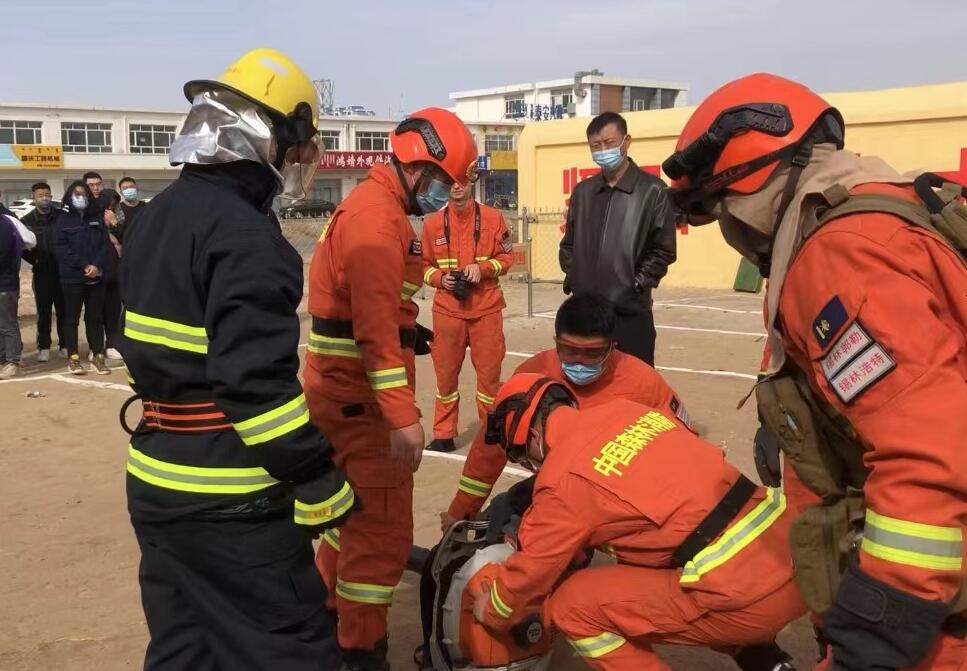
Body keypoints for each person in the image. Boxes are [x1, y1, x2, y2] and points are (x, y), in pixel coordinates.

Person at [663, 72, 967, 671]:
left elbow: (927, 456)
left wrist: (875, 634)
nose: (727, 230)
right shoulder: (891, 209)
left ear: (753, 190)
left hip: (932, 624)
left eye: (722, 209)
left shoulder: (838, 255)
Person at [119, 48, 353, 670]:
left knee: (185, 646)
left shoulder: (151, 219)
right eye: (298, 142)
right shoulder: (249, 239)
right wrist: (317, 476)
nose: (303, 158)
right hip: (230, 494)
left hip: (154, 477)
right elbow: (253, 385)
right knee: (290, 650)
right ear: (268, 138)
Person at [471, 373, 802, 671]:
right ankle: (768, 663)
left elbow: (531, 571)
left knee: (574, 607)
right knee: (664, 559)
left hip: (748, 595)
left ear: (528, 437)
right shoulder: (630, 411)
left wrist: (495, 609)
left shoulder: (561, 480)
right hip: (795, 553)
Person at [305, 106, 477, 670]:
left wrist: (408, 328)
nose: (443, 194)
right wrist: (403, 417)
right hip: (363, 406)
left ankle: (327, 621)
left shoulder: (364, 207)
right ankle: (361, 653)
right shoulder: (379, 223)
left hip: (337, 394)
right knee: (377, 538)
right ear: (420, 169)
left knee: (342, 526)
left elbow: (366, 308)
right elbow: (373, 331)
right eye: (442, 182)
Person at [443, 293, 693, 529]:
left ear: (612, 347)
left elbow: (683, 447)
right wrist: (462, 510)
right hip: (559, 485)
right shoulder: (532, 375)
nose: (579, 362)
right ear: (555, 342)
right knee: (501, 517)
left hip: (624, 492)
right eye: (569, 350)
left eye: (592, 353)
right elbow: (490, 450)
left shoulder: (643, 383)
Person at [558, 112, 677, 366]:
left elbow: (663, 250)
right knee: (586, 387)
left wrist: (634, 285)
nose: (603, 150)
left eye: (610, 143)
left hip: (630, 316)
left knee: (634, 389)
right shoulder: (583, 192)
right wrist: (576, 279)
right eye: (596, 146)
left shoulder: (653, 191)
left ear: (626, 141)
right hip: (586, 315)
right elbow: (569, 246)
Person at [421, 169, 514, 453]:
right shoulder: (432, 223)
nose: (456, 187)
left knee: (489, 379)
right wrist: (440, 279)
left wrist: (483, 269)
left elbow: (507, 257)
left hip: (486, 308)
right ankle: (444, 433)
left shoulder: (493, 218)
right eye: (450, 181)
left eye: (461, 180)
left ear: (471, 180)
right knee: (445, 377)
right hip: (448, 310)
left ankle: (492, 434)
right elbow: (422, 266)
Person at [54, 181, 109, 375]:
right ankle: (74, 357)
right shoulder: (63, 219)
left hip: (96, 276)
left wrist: (96, 266)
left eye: (83, 193)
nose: (80, 197)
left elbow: (104, 244)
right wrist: (84, 265)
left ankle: (98, 356)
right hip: (72, 277)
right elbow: (61, 248)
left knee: (95, 318)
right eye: (76, 194)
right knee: (72, 319)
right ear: (69, 196)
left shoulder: (96, 218)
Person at [21, 182, 67, 362]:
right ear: (34, 197)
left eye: (47, 194)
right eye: (41, 195)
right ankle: (44, 347)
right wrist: (35, 260)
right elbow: (22, 247)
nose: (45, 198)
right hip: (41, 272)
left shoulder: (60, 216)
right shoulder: (27, 221)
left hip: (62, 271)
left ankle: (65, 345)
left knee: (64, 310)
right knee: (44, 311)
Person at [0, 202, 36, 379]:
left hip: (5, 283)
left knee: (7, 324)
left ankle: (13, 361)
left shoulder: (5, 223)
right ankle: (3, 359)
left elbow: (3, 252)